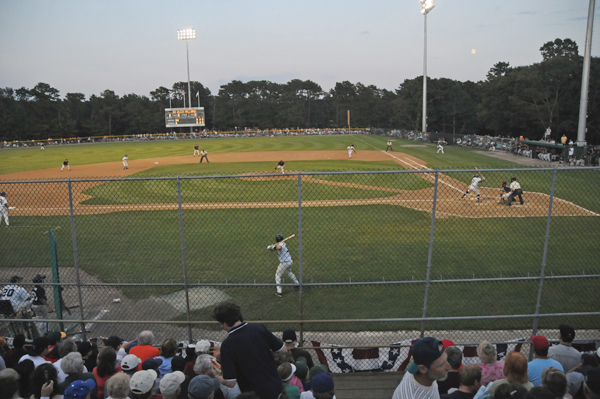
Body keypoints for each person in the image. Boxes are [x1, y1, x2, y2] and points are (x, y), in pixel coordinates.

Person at [212, 302, 287, 398]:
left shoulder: (227, 345)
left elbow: (230, 383)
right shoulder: (259, 328)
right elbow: (283, 350)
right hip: (276, 388)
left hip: (255, 395)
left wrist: (217, 377)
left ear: (225, 323)